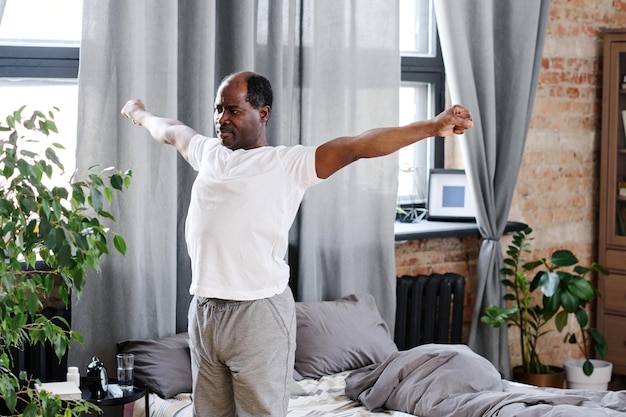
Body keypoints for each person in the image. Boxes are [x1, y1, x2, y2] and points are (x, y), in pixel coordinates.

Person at [121, 70, 473, 417]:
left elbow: (358, 145)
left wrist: (431, 127)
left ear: (263, 113)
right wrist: (139, 113)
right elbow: (169, 130)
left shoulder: (287, 164)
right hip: (205, 310)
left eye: (232, 110)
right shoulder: (208, 153)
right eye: (218, 109)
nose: (221, 119)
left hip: (256, 314)